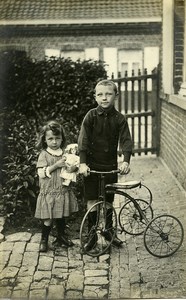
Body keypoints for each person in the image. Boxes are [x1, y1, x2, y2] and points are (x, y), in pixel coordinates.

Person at [78, 79, 133, 251]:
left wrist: (125, 160)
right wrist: (82, 163)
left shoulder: (119, 119)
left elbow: (126, 141)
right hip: (92, 166)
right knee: (92, 200)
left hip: (110, 165)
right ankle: (92, 235)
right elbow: (83, 140)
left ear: (116, 96)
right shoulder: (91, 116)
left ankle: (109, 231)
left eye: (108, 94)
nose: (104, 98)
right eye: (100, 94)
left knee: (108, 199)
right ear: (95, 97)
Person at [35, 120, 78, 252]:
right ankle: (44, 239)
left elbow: (72, 169)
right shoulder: (44, 154)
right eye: (50, 139)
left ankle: (61, 236)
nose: (54, 142)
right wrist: (56, 165)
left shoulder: (66, 154)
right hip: (49, 191)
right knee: (48, 217)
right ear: (45, 140)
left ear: (62, 139)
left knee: (61, 214)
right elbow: (41, 173)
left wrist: (73, 168)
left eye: (57, 138)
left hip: (62, 189)